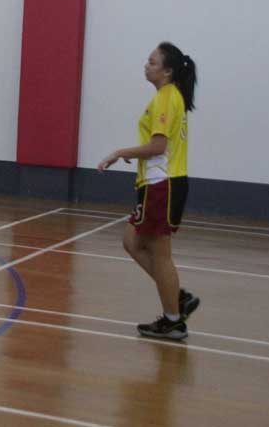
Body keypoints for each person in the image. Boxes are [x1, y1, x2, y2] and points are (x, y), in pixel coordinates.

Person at [98, 42, 199, 340]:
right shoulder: (167, 96)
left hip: (162, 185)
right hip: (156, 185)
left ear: (167, 71)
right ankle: (177, 297)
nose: (146, 65)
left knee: (160, 253)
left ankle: (173, 321)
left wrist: (120, 152)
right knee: (131, 241)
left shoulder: (167, 98)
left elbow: (158, 146)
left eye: (152, 62)